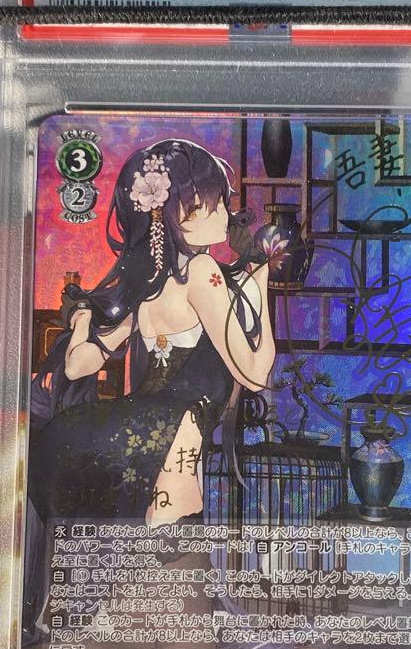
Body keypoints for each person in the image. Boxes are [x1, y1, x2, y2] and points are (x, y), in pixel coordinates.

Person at [28, 137, 276, 531]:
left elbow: (78, 366)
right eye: (212, 203)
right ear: (173, 215)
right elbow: (255, 375)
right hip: (173, 446)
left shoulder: (145, 283)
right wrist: (261, 278)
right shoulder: (202, 273)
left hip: (125, 441)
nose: (225, 212)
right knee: (174, 555)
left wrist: (81, 319)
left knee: (130, 560)